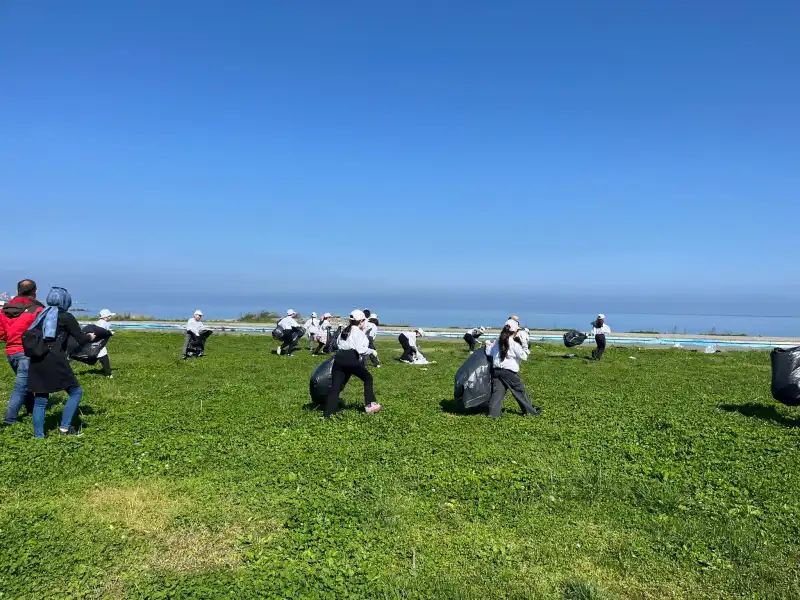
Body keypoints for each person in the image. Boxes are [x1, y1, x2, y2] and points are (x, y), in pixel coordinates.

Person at [27, 287, 95, 437]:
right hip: (55, 359)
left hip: (36, 359)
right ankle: (64, 428)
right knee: (76, 391)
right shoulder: (66, 317)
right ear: (65, 300)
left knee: (40, 399)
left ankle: (38, 436)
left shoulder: (40, 315)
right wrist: (90, 336)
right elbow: (81, 339)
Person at [0, 279, 44, 426]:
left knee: (26, 383)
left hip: (11, 351)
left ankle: (30, 410)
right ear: (35, 291)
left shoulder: (4, 310)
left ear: (17, 290)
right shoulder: (36, 309)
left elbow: (1, 334)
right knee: (21, 387)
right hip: (27, 351)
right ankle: (9, 421)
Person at [324, 309, 381, 418]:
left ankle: (328, 413)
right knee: (368, 378)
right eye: (364, 321)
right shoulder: (359, 333)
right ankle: (370, 405)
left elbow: (337, 344)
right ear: (361, 321)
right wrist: (372, 351)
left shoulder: (344, 331)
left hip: (339, 358)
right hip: (351, 358)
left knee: (335, 386)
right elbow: (361, 350)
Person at [486, 319, 541, 418]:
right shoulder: (513, 343)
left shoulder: (498, 340)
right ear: (515, 331)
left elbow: (489, 352)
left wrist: (488, 345)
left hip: (496, 370)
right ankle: (530, 412)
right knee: (519, 391)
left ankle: (493, 414)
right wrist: (525, 345)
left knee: (497, 392)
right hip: (509, 372)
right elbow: (524, 356)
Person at [94, 309, 116, 377]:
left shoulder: (99, 322)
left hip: (97, 343)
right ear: (106, 317)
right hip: (99, 343)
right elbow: (101, 332)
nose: (111, 317)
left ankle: (106, 371)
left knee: (102, 357)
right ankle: (108, 374)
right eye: (109, 316)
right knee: (104, 358)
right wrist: (110, 333)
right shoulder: (104, 323)